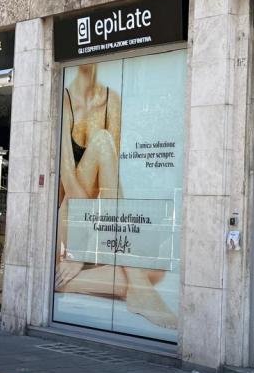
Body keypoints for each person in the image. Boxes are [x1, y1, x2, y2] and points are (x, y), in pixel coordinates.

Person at [54, 63, 176, 330]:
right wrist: (81, 251)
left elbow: (110, 183)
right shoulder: (63, 97)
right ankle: (136, 287)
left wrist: (104, 234)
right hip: (67, 222)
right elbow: (67, 178)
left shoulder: (112, 101)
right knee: (101, 140)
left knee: (154, 272)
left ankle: (69, 282)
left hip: (98, 221)